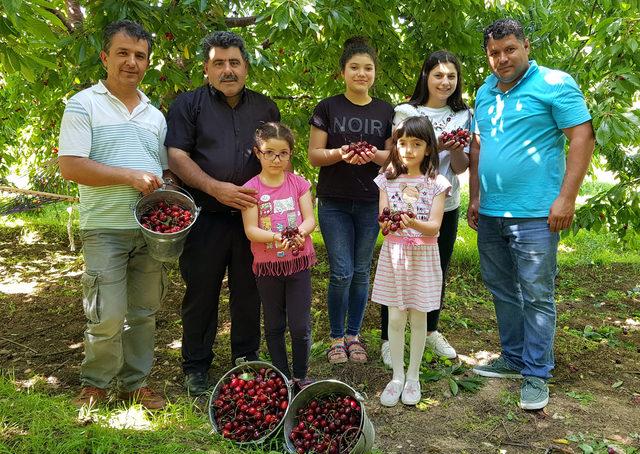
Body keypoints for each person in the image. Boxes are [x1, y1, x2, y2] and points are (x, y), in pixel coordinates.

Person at [467, 18, 594, 410]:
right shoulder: (485, 91)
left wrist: (567, 198)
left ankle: (537, 373)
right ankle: (514, 357)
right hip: (489, 212)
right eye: (494, 52)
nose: (502, 58)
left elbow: (582, 137)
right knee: (501, 289)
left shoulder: (555, 83)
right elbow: (477, 147)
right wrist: (474, 197)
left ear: (526, 46)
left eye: (509, 49)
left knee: (537, 294)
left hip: (537, 214)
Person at [58, 20, 168, 410]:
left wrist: (170, 193)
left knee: (143, 312)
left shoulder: (156, 115)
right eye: (122, 53)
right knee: (106, 314)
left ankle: (134, 383)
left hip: (150, 231)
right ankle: (96, 384)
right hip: (104, 227)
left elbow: (160, 170)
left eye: (139, 55)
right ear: (105, 57)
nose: (131, 62)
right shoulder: (82, 104)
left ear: (148, 62)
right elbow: (70, 166)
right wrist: (128, 177)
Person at [165, 31, 280, 395]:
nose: (227, 70)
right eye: (219, 63)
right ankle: (196, 367)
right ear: (206, 68)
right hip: (205, 216)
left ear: (246, 66)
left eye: (234, 62)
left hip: (252, 220)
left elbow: (277, 157)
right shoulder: (187, 105)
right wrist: (216, 188)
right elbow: (177, 156)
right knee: (201, 292)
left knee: (250, 291)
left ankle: (245, 360)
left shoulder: (265, 108)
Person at [380, 50, 472, 364]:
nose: (445, 82)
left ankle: (430, 331)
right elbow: (393, 155)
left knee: (436, 270)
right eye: (438, 75)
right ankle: (388, 338)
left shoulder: (463, 114)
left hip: (443, 204)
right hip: (403, 203)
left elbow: (460, 167)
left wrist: (456, 149)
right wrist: (436, 145)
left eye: (451, 76)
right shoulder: (406, 111)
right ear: (425, 77)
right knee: (395, 268)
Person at [308, 37, 394, 364]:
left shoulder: (386, 110)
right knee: (341, 271)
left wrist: (372, 155)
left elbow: (392, 157)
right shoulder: (327, 107)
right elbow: (315, 155)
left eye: (368, 68)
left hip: (371, 201)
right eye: (354, 68)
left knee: (360, 271)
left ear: (375, 73)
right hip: (334, 202)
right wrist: (340, 153)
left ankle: (353, 335)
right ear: (342, 72)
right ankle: (335, 337)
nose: (361, 73)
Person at [372, 116, 451, 406]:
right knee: (394, 316)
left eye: (416, 144)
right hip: (394, 256)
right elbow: (383, 221)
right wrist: (390, 223)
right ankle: (397, 375)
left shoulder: (437, 183)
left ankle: (414, 375)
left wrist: (412, 223)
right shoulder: (386, 179)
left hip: (423, 256)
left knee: (419, 317)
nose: (408, 149)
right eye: (402, 143)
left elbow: (434, 227)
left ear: (428, 148)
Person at [241, 122, 316, 390]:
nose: (276, 159)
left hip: (298, 264)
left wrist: (300, 233)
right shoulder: (250, 189)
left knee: (299, 325)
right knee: (274, 325)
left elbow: (309, 221)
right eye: (269, 152)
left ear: (290, 154)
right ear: (257, 153)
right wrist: (276, 237)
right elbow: (251, 230)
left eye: (283, 153)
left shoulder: (299, 184)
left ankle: (300, 376)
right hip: (268, 267)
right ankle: (282, 376)